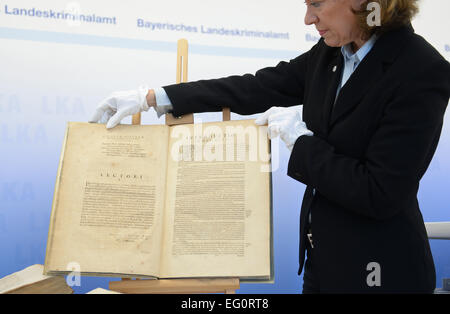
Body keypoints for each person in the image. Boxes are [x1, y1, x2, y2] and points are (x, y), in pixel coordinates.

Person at [89, 0, 450, 293]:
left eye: (317, 4)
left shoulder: (421, 70)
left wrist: (301, 142)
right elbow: (256, 88)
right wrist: (156, 98)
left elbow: (380, 192)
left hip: (382, 272)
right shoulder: (331, 54)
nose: (308, 18)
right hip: (322, 263)